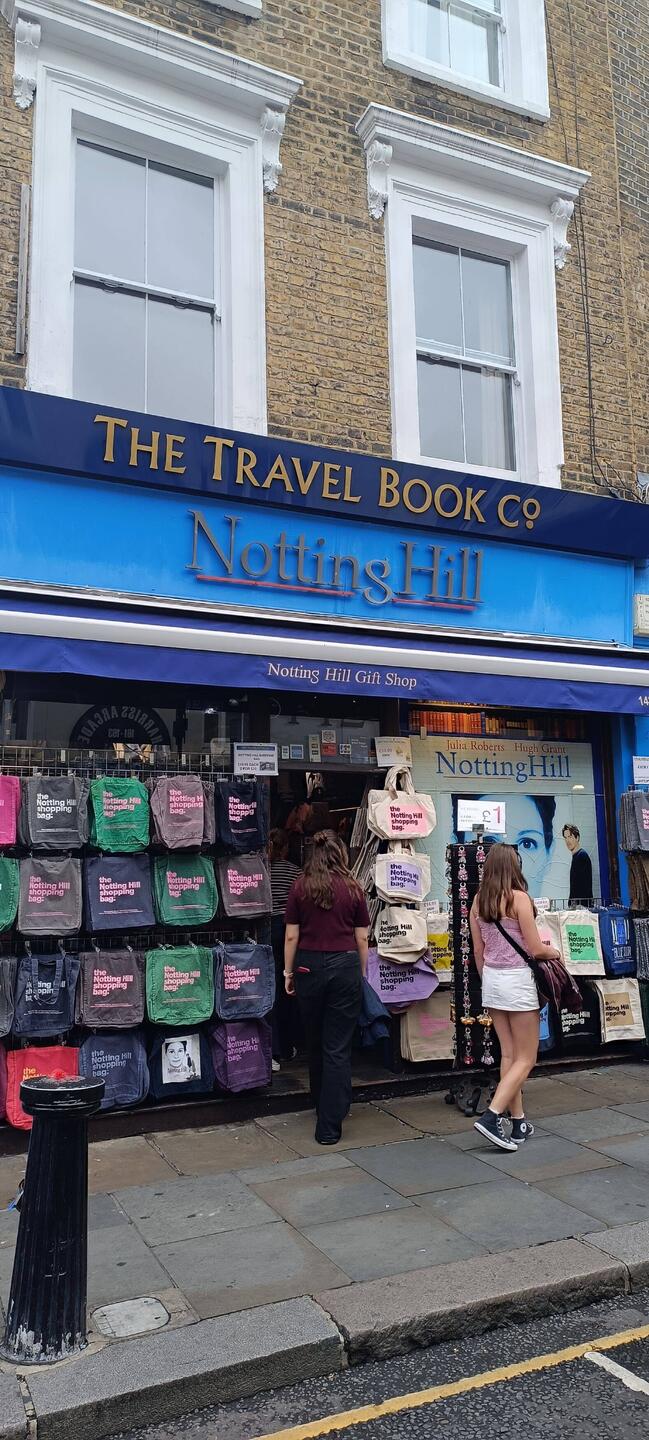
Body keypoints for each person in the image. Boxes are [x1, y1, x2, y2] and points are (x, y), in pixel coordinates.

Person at [469, 843, 561, 1152]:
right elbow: (535, 949)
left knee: (508, 1055)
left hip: (492, 981)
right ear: (514, 866)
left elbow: (478, 951)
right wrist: (554, 951)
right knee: (527, 1057)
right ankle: (492, 1116)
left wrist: (488, 979)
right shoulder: (519, 899)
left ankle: (518, 1121)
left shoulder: (478, 901)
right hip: (518, 981)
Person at [284, 831, 369, 1145]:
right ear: (340, 854)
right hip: (345, 966)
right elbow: (362, 937)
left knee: (315, 1041)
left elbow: (291, 935)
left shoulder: (300, 886)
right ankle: (330, 1124)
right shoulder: (353, 888)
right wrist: (361, 972)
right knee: (337, 1046)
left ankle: (321, 1104)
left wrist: (288, 972)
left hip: (308, 966)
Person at [456, 794, 556, 894]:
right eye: (490, 841)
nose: (507, 862)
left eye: (527, 844)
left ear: (549, 854)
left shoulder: (479, 899)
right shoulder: (521, 898)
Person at [269, 828, 301, 1066]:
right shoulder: (295, 872)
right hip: (289, 929)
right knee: (288, 987)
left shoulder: (262, 869)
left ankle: (274, 1046)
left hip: (266, 928)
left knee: (270, 986)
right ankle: (289, 1044)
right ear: (286, 848)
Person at [562, 823, 593, 902]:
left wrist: (574, 904)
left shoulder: (581, 856)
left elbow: (582, 886)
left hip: (582, 905)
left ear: (577, 838)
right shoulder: (577, 856)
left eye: (570, 837)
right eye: (565, 838)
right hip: (579, 904)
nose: (567, 841)